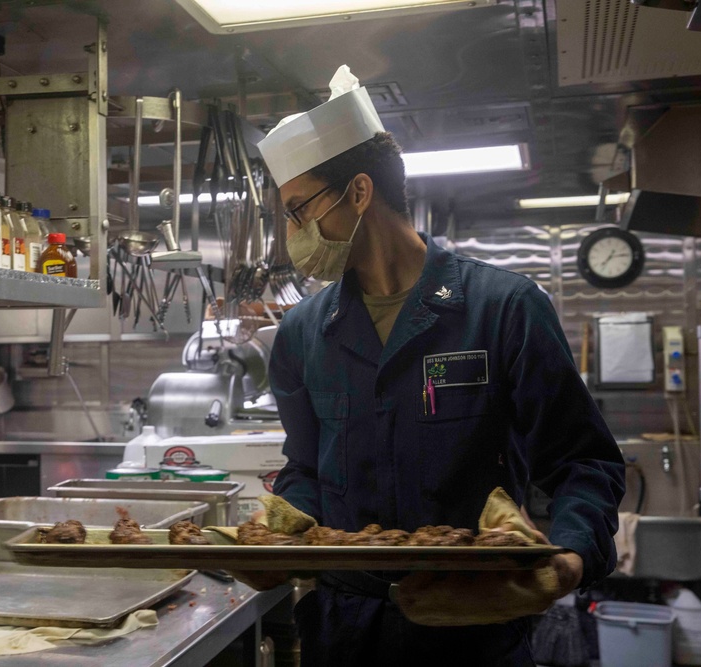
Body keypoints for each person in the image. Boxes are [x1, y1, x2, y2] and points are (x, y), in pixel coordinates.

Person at [254, 65, 625, 665]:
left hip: (473, 629)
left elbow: (583, 462)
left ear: (358, 193)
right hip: (345, 634)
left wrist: (568, 560)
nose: (292, 233)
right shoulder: (302, 334)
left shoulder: (503, 309)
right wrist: (281, 535)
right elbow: (306, 468)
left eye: (298, 211)